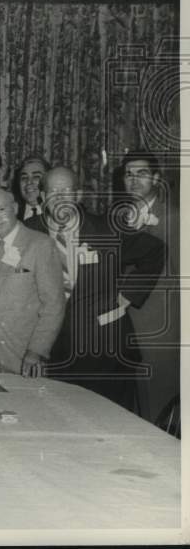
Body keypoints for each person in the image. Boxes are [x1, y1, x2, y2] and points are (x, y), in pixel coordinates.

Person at [31, 167, 165, 413]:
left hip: (106, 355)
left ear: (79, 195)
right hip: (53, 353)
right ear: (41, 197)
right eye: (53, 191)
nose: (60, 199)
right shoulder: (29, 232)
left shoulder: (107, 228)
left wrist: (128, 295)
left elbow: (155, 251)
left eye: (67, 191)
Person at [0, 187, 65, 376]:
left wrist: (37, 350)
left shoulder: (40, 245)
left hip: (23, 357)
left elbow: (54, 305)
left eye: (1, 209)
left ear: (15, 208)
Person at [119, 149, 179, 421]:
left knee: (157, 410)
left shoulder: (175, 220)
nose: (133, 180)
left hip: (158, 335)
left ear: (156, 178)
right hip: (123, 328)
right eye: (128, 174)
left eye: (141, 174)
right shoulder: (117, 218)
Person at [15, 155, 48, 222]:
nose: (29, 182)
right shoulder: (12, 215)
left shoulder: (57, 214)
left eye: (36, 177)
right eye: (24, 178)